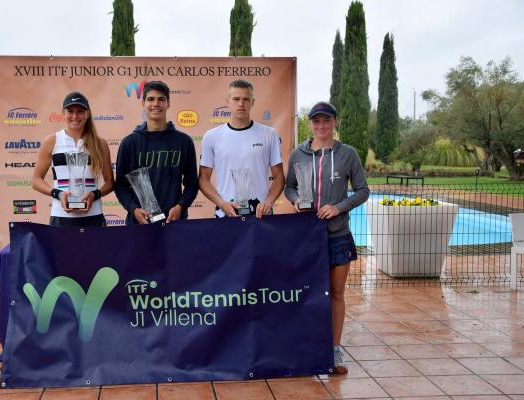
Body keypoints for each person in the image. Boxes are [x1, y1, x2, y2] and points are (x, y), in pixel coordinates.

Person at [284, 101, 369, 374]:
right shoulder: (298, 154)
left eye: (326, 121)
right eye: (316, 121)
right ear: (310, 124)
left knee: (336, 293)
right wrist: (296, 200)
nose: (321, 126)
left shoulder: (348, 154)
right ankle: (307, 346)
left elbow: (363, 191)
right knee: (306, 294)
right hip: (306, 237)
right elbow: (289, 187)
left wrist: (338, 207)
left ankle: (334, 349)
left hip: (338, 235)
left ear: (334, 123)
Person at [114, 81, 198, 225]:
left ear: (168, 104)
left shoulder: (184, 142)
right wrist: (133, 209)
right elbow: (120, 185)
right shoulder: (129, 143)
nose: (156, 104)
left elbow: (192, 184)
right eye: (150, 99)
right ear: (143, 103)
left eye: (161, 99)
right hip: (139, 223)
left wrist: (181, 207)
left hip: (174, 223)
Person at [199, 79, 284, 218]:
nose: (241, 103)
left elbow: (279, 177)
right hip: (226, 214)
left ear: (253, 102)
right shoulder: (211, 136)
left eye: (246, 99)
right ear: (227, 101)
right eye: (236, 99)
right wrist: (221, 203)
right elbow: (203, 178)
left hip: (261, 215)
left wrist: (268, 202)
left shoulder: (269, 134)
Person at [33, 91, 114, 227]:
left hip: (93, 216)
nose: (75, 116)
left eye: (80, 111)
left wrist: (94, 194)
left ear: (87, 114)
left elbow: (110, 183)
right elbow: (36, 180)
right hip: (61, 216)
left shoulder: (100, 144)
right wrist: (57, 194)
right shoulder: (52, 141)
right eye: (70, 111)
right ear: (63, 113)